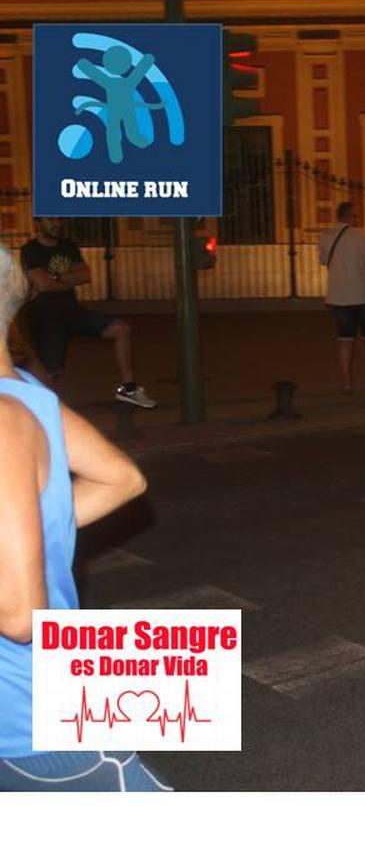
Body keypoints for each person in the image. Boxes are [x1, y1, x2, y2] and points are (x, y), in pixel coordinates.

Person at [0, 245, 169, 792]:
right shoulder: (27, 393)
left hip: (30, 729)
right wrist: (30, 529)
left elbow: (20, 616)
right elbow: (122, 478)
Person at [20, 217, 155, 408]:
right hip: (46, 317)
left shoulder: (68, 247)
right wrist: (66, 279)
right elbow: (42, 284)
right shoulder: (30, 250)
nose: (57, 223)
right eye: (50, 219)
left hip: (73, 312)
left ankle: (129, 389)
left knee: (121, 329)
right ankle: (34, 409)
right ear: (38, 223)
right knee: (51, 374)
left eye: (59, 219)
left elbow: (85, 275)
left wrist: (55, 278)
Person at [318, 201, 365, 394]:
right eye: (355, 215)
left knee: (344, 339)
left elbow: (324, 261)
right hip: (362, 295)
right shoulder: (361, 236)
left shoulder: (325, 237)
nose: (357, 219)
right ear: (349, 216)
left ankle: (346, 382)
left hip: (338, 297)